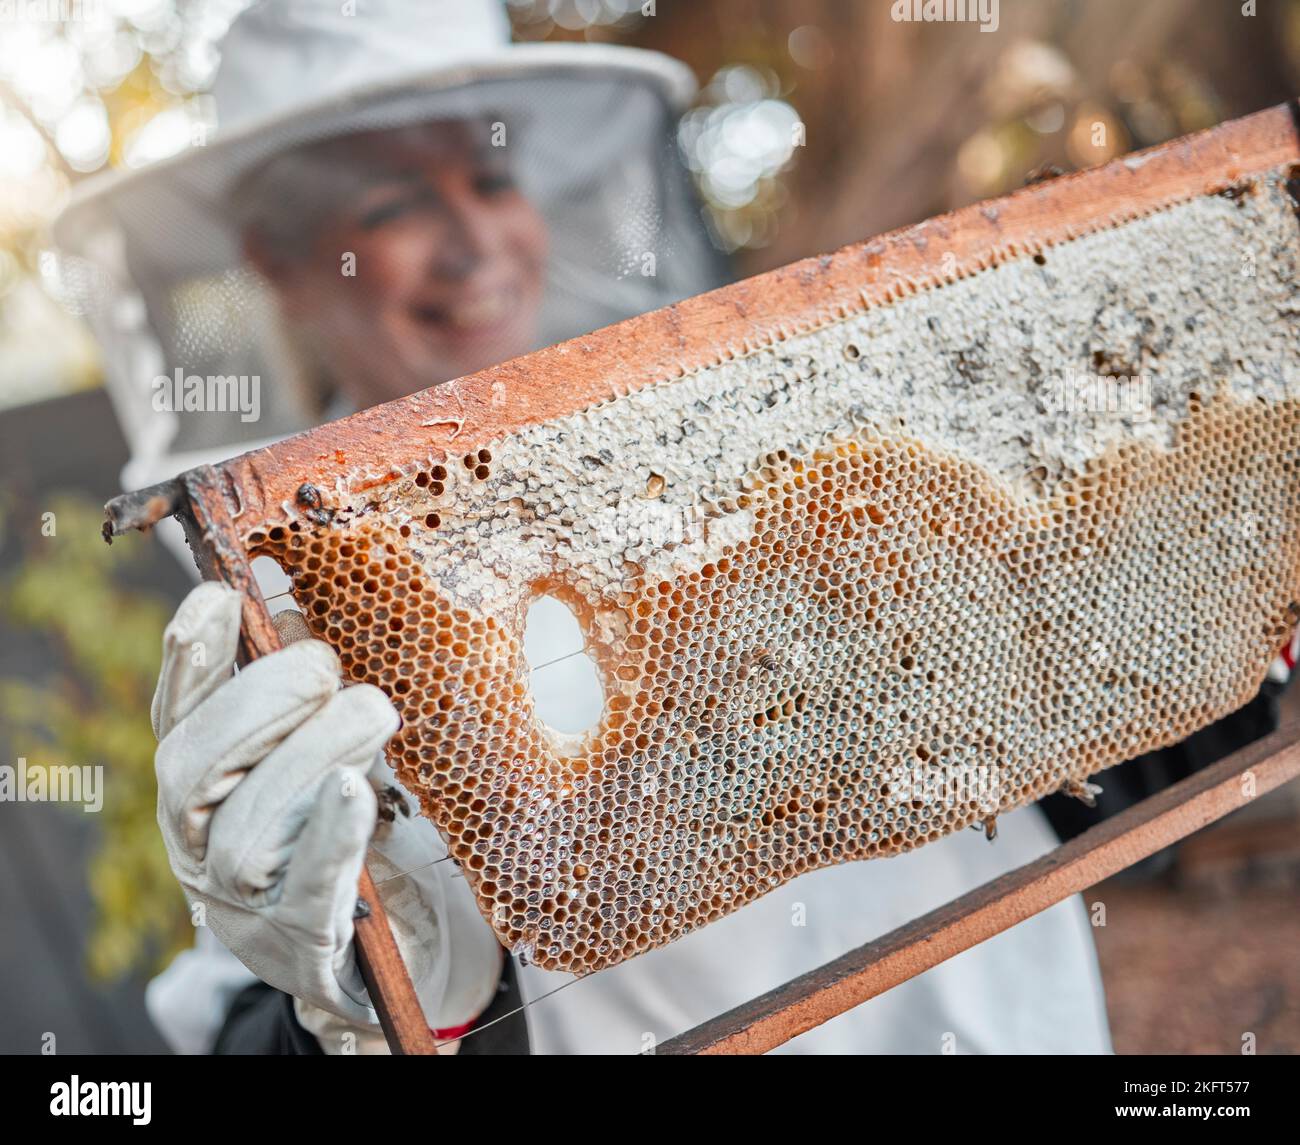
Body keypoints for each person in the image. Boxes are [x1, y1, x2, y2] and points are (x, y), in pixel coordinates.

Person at [55, 0, 1114, 1054]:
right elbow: (248, 1003)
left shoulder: (713, 422)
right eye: (391, 204)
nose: (475, 243)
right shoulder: (269, 603)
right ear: (283, 263)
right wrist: (370, 1000)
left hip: (1009, 1005)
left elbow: (1069, 729)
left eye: (491, 178)